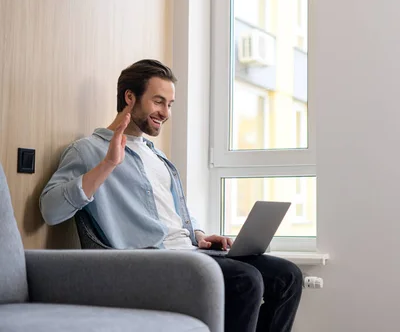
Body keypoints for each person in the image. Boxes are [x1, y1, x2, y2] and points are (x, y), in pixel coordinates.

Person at [40, 59, 303, 332]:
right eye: (158, 101)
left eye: (169, 104)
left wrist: (199, 235)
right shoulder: (88, 151)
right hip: (149, 263)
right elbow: (50, 210)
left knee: (288, 276)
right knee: (245, 279)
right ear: (130, 97)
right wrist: (108, 164)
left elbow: (170, 214)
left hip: (189, 251)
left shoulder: (157, 155)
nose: (165, 112)